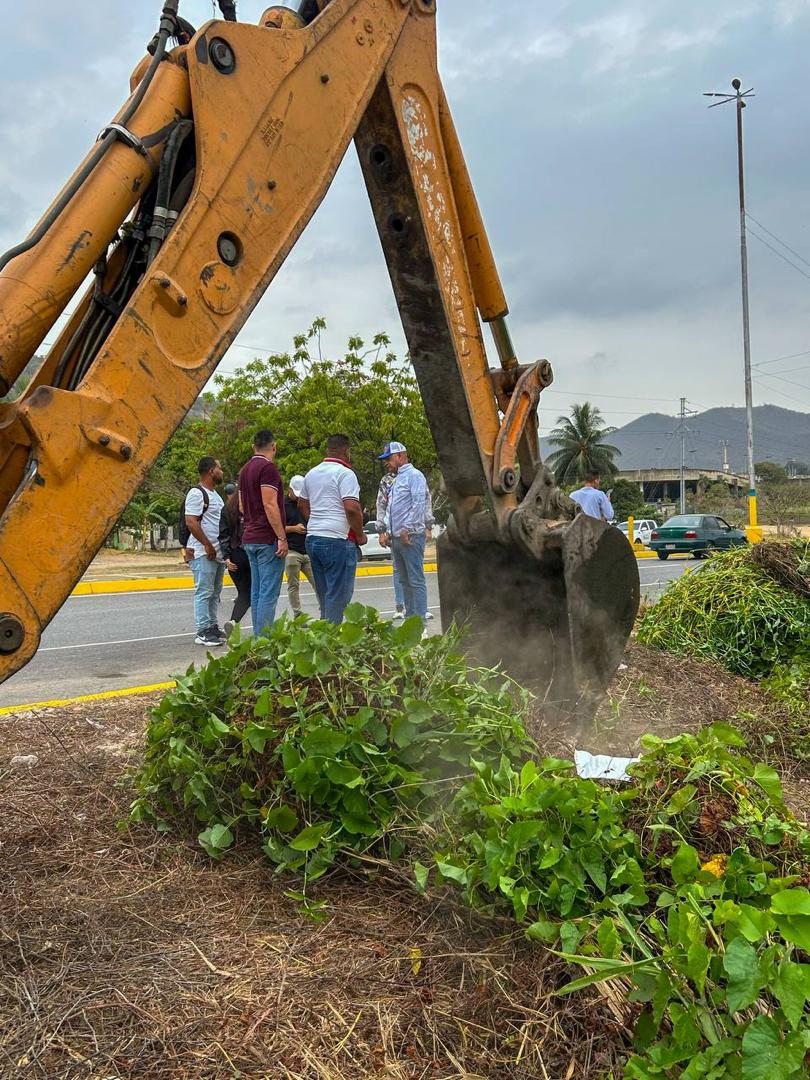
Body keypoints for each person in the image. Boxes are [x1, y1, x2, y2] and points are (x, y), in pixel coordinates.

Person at [298, 434, 366, 624]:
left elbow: (302, 504)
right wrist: (360, 535)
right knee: (339, 596)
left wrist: (317, 521)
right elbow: (352, 508)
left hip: (313, 538)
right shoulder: (345, 474)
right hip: (337, 540)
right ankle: (331, 643)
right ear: (347, 451)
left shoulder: (312, 473)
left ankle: (323, 634)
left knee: (326, 594)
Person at [238, 429, 288, 636]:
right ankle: (264, 642)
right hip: (267, 539)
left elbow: (241, 506)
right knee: (268, 593)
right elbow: (270, 504)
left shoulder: (244, 470)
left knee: (257, 593)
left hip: (250, 536)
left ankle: (258, 640)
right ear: (274, 446)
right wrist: (281, 537)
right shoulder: (268, 469)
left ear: (253, 446)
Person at [376, 455, 435, 622]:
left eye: (389, 459)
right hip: (395, 537)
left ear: (400, 456)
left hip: (411, 536)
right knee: (403, 579)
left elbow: (421, 502)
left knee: (415, 579)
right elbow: (382, 505)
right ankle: (410, 617)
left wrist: (422, 526)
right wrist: (383, 529)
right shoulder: (388, 480)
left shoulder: (414, 476)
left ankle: (421, 620)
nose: (386, 463)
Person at [184, 456, 226, 646]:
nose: (221, 471)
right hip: (203, 551)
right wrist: (207, 545)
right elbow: (191, 521)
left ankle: (211, 626)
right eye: (219, 468)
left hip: (216, 553)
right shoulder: (196, 493)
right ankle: (202, 631)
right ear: (211, 471)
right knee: (204, 591)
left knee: (215, 592)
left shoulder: (215, 495)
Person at [218, 488, 251, 636]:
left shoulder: (228, 508)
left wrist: (226, 558)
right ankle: (234, 622)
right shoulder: (253, 504)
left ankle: (233, 623)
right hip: (251, 554)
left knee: (244, 593)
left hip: (234, 556)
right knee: (254, 594)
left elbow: (223, 535)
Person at [284, 474, 316, 618]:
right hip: (291, 550)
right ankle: (297, 614)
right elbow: (276, 528)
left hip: (307, 549)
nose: (298, 497)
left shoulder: (307, 503)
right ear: (289, 489)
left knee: (318, 582)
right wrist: (293, 528)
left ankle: (326, 610)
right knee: (293, 586)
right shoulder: (282, 505)